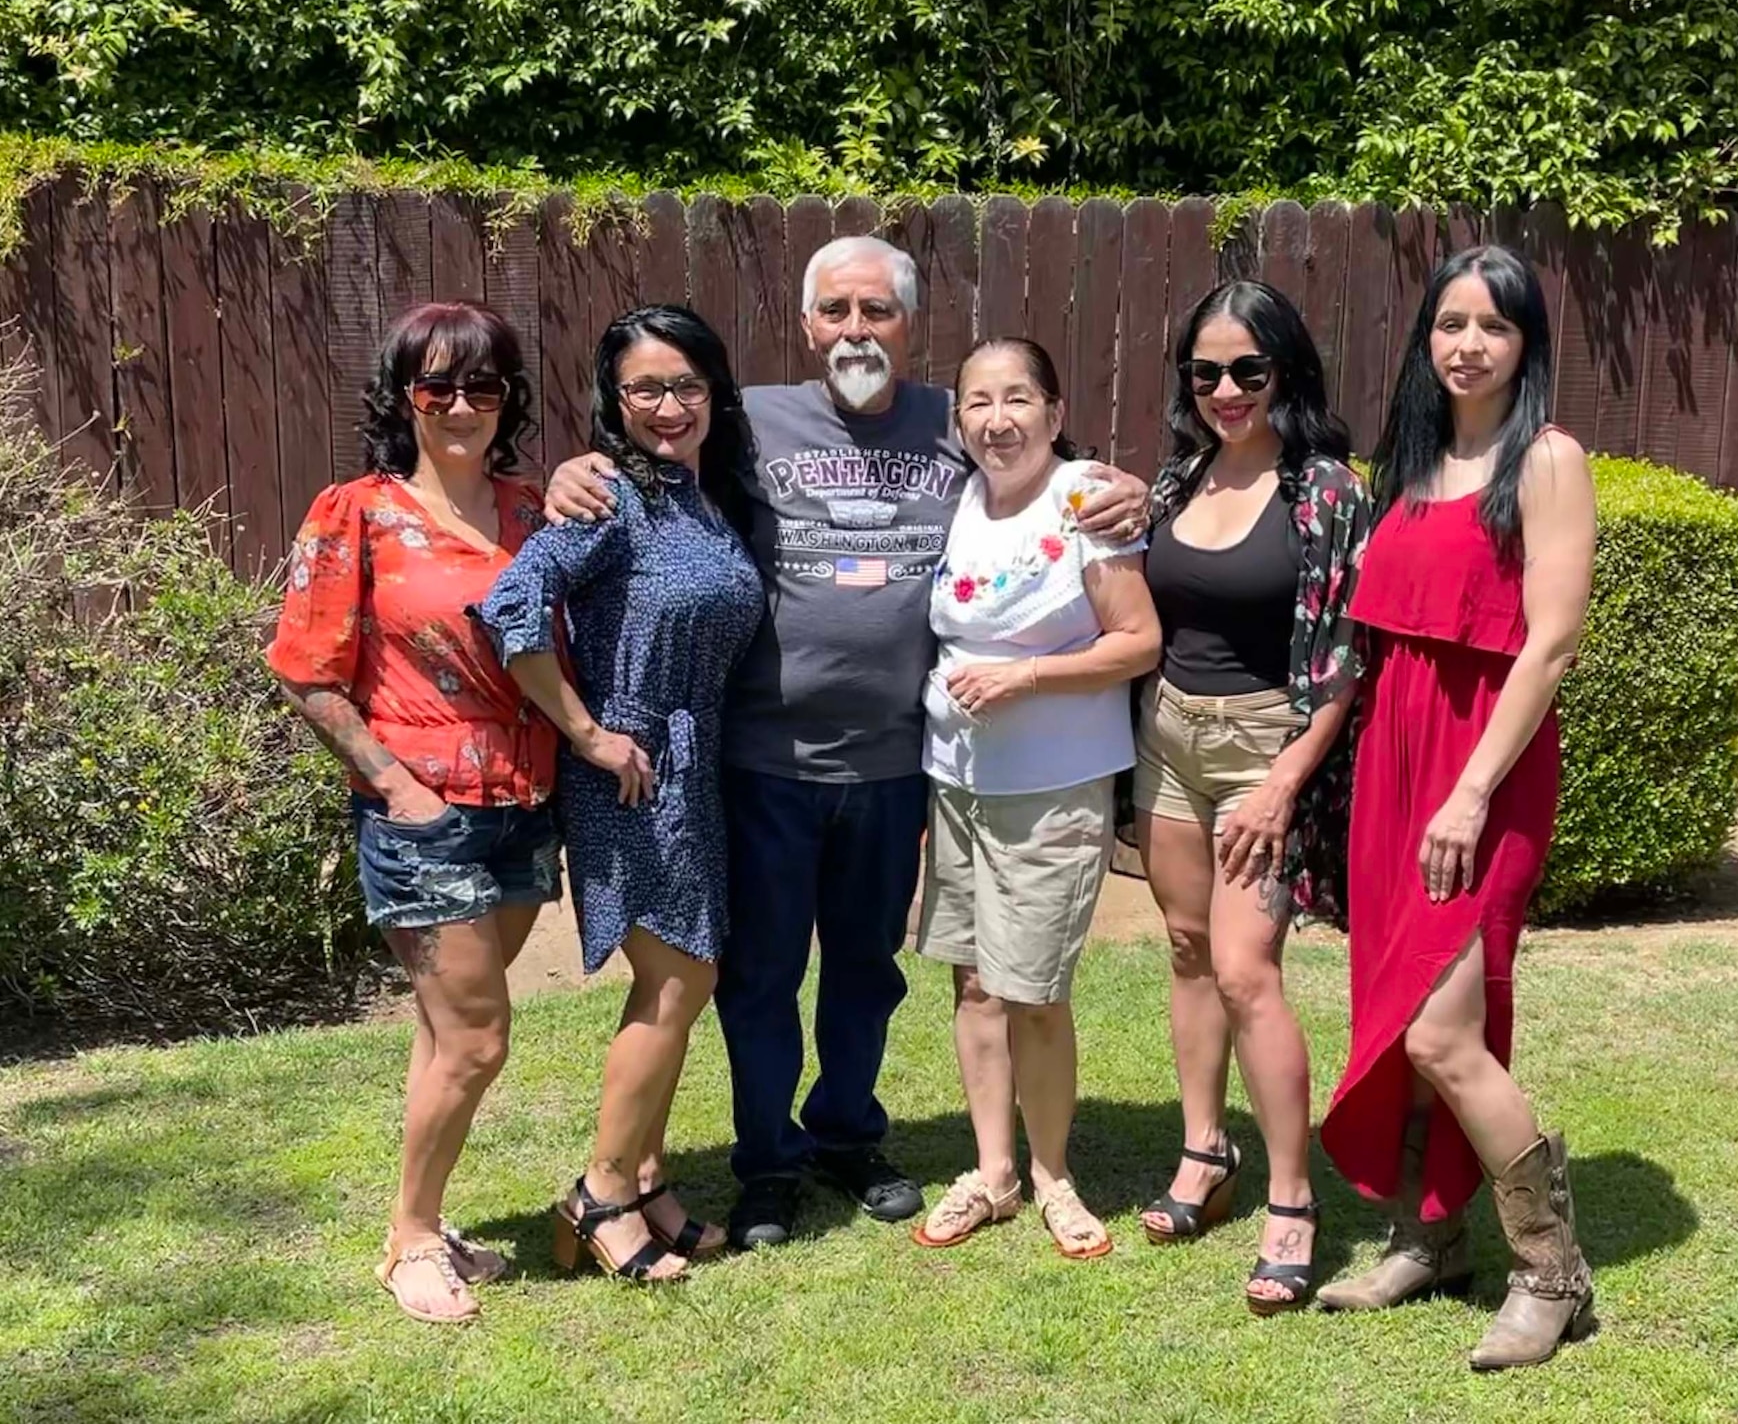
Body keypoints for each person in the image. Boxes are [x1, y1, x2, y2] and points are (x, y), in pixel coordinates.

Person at [540, 236, 1151, 1248]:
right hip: (765, 758)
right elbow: (653, 445)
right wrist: (578, 464)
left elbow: (1058, 477)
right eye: (836, 311)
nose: (855, 330)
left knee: (866, 970)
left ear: (910, 325)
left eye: (877, 310)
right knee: (762, 974)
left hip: (898, 761)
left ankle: (847, 1133)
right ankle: (767, 1162)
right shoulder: (749, 421)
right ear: (807, 322)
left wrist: (1135, 491)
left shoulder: (954, 419)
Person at [1314, 245, 1597, 1371]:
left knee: (1441, 1024)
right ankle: (1428, 1238)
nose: (1466, 344)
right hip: (1394, 761)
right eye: (1448, 323)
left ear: (1526, 346)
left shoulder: (1545, 460)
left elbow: (1551, 641)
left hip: (1482, 767)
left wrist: (1471, 791)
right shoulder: (1415, 462)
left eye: (1493, 326)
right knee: (1400, 1016)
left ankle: (1551, 1273)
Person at [267, 301, 559, 1324]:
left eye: (485, 386)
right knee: (478, 1039)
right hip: (422, 813)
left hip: (525, 805)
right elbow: (305, 673)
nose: (462, 405)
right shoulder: (354, 512)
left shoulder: (533, 513)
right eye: (439, 385)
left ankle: (428, 1224)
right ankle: (407, 1240)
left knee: (444, 1037)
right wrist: (395, 784)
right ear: (403, 397)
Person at [475, 306, 762, 1282]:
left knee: (688, 978)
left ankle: (645, 1177)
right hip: (631, 773)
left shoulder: (704, 494)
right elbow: (510, 605)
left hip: (697, 757)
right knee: (676, 979)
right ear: (614, 400)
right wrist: (590, 734)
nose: (668, 406)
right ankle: (597, 1195)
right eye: (645, 388)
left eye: (686, 385)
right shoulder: (607, 498)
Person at [1131, 281, 1370, 1315]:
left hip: (1265, 743)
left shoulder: (1323, 490)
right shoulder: (1175, 476)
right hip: (1168, 735)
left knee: (1244, 970)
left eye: (1247, 370)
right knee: (1186, 947)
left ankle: (1289, 1198)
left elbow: (1345, 658)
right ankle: (1203, 1149)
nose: (1224, 390)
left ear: (1285, 370)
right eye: (1205, 372)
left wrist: (1284, 778)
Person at [908, 338, 1160, 1259]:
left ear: (1055, 414)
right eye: (979, 401)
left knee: (1034, 989)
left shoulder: (1085, 498)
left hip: (1052, 788)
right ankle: (994, 1171)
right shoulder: (962, 498)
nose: (998, 418)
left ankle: (1054, 1174)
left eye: (1019, 399)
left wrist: (1028, 678)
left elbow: (1137, 640)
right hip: (960, 783)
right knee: (974, 981)